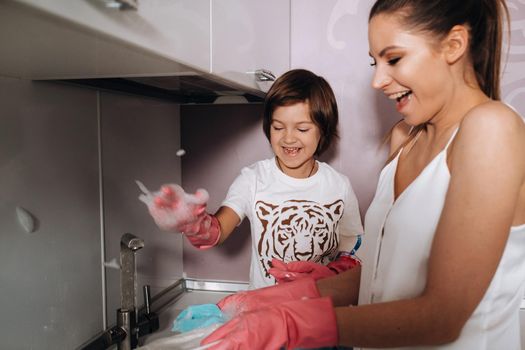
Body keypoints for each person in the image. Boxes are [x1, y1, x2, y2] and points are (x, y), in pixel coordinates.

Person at [199, 0, 525, 349]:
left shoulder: (492, 129)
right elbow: (376, 277)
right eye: (375, 62)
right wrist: (264, 301)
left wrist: (291, 324)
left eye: (394, 59)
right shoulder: (405, 139)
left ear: (453, 45)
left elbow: (441, 316)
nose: (377, 80)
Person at [143, 68, 364, 289]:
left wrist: (330, 274)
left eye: (302, 128)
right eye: (278, 127)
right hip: (264, 312)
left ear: (323, 130)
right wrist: (193, 223)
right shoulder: (253, 179)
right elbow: (218, 229)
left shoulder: (339, 186)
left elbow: (353, 249)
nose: (288, 138)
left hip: (319, 313)